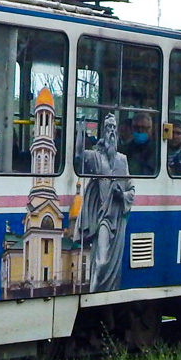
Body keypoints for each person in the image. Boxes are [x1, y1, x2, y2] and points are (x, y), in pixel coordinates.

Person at [74, 113, 134, 292]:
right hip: (101, 217)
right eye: (108, 128)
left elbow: (131, 188)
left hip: (115, 217)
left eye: (114, 128)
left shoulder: (122, 160)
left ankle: (100, 295)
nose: (112, 132)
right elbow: (78, 156)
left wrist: (122, 195)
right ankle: (94, 294)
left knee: (108, 262)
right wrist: (80, 130)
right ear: (103, 132)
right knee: (100, 262)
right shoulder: (95, 157)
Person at [119, 112, 156, 176]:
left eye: (144, 128)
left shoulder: (158, 151)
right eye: (136, 127)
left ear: (151, 129)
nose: (140, 130)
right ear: (132, 129)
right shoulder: (123, 149)